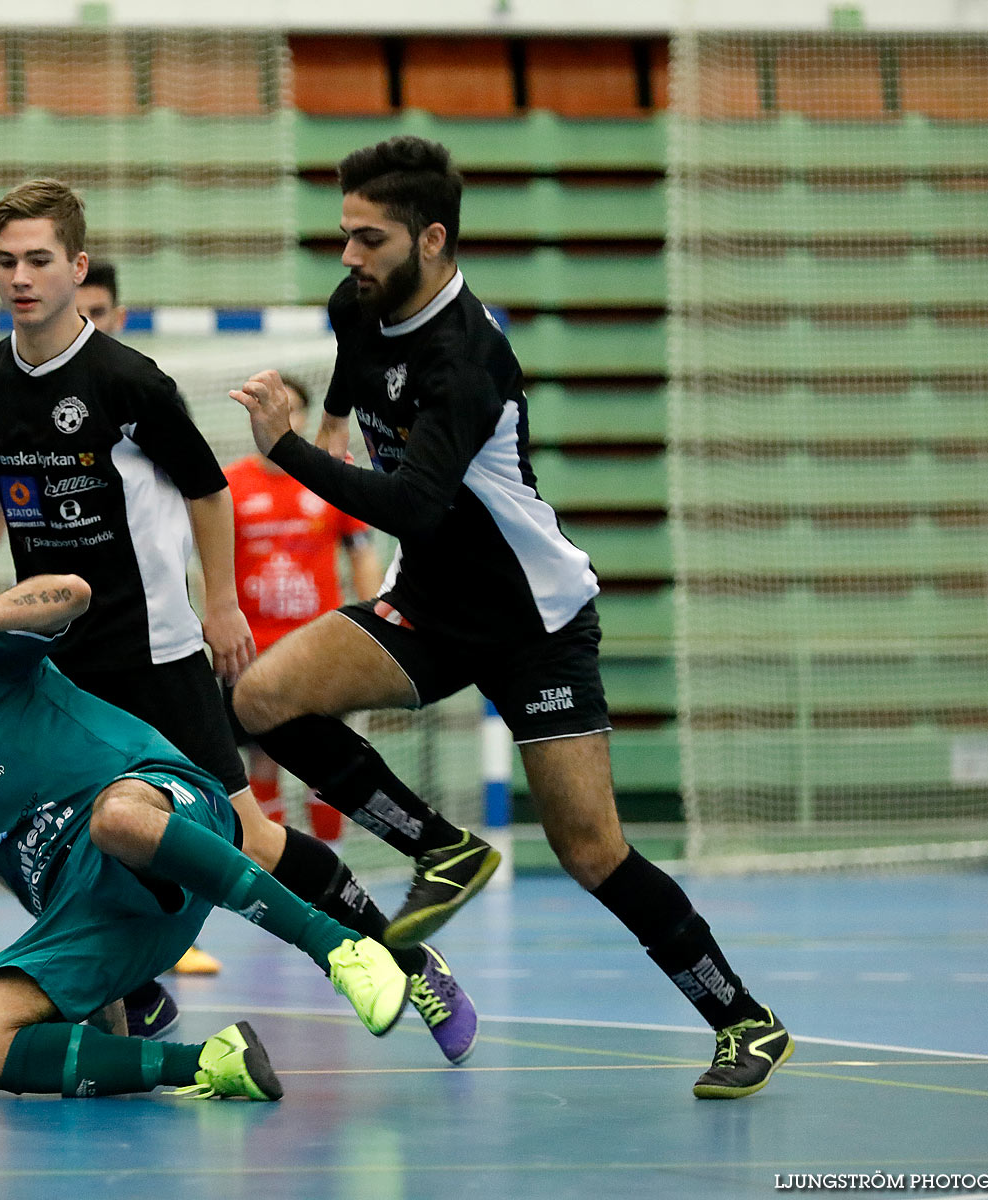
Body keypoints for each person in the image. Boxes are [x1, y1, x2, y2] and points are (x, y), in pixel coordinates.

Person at [0, 178, 477, 1063]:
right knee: (42, 834)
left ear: (76, 268)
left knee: (250, 834)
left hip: (153, 655)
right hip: (50, 661)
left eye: (37, 260)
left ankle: (402, 962)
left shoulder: (126, 381)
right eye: (5, 262)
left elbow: (208, 487)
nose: (19, 277)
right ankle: (132, 999)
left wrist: (219, 606)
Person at [228, 135, 791, 1099]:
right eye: (343, 237)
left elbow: (412, 503)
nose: (350, 258)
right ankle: (439, 846)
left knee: (591, 851)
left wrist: (285, 450)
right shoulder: (354, 308)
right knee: (260, 698)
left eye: (369, 239)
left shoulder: (471, 356)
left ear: (432, 239)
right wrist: (315, 416)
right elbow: (358, 392)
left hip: (535, 621)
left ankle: (745, 1020)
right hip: (432, 605)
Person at [0, 574, 410, 1101]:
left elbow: (73, 593)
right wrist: (108, 1025)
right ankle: (210, 1063)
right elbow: (61, 909)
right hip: (118, 912)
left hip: (161, 808)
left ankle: (339, 947)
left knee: (115, 820)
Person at [0, 262, 222, 982]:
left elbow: (204, 495)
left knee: (172, 786)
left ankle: (174, 923)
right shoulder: (20, 407)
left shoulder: (137, 393)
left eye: (99, 307)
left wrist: (218, 603)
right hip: (59, 628)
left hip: (149, 635)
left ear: (116, 314)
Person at [225, 377, 382, 844]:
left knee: (325, 758)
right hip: (253, 649)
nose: (279, 417)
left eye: (290, 409)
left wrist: (370, 623)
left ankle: (332, 863)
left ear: (305, 418)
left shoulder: (329, 477)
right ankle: (280, 867)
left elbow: (362, 553)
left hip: (319, 645)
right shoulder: (229, 485)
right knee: (262, 757)